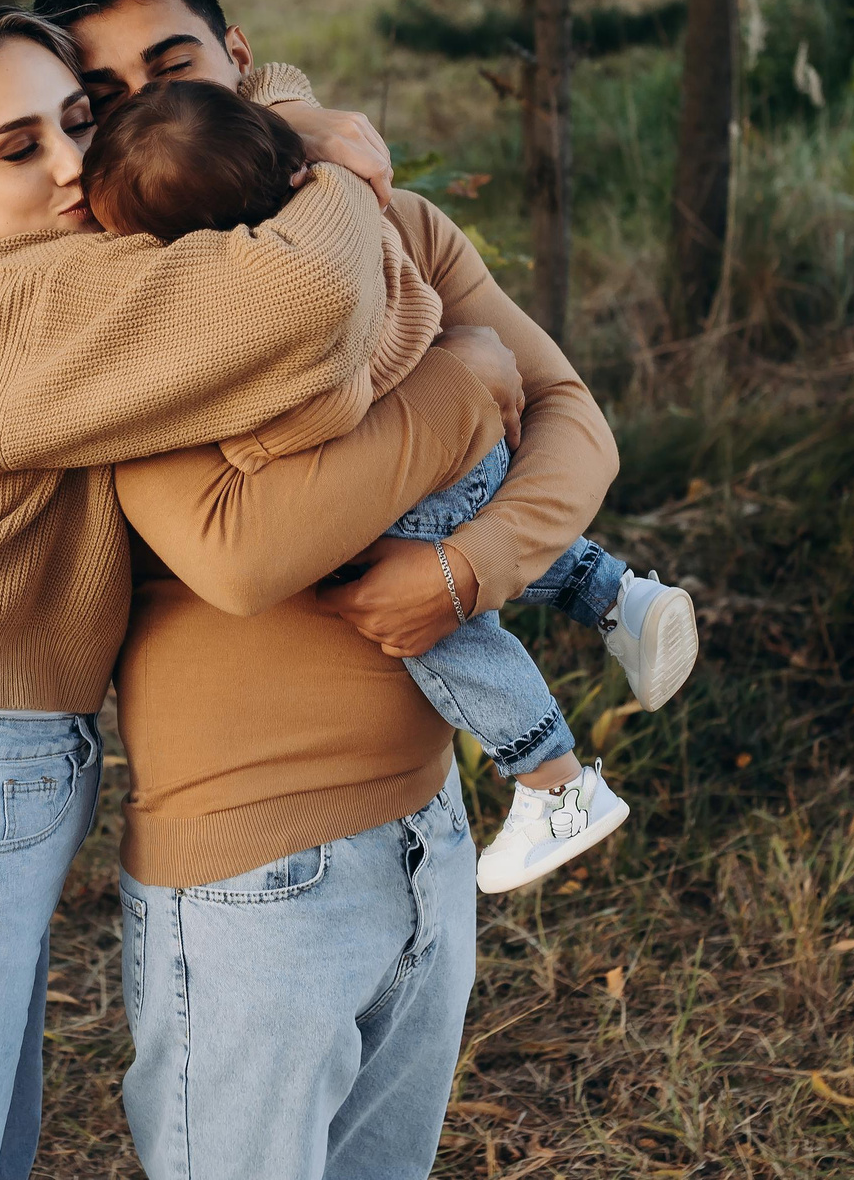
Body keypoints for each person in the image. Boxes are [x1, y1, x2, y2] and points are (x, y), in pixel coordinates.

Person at [0, 6, 520, 1180]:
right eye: (17, 150)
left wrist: (281, 113)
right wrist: (321, 160)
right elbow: (302, 300)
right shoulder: (9, 296)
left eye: (76, 125)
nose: (70, 172)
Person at [30, 0, 630, 1179]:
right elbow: (241, 557)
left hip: (429, 833)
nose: (148, 102)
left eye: (172, 61)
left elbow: (573, 419)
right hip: (254, 872)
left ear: (236, 62)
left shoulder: (392, 222)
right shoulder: (125, 304)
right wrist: (465, 387)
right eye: (107, 92)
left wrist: (467, 572)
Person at [82, 77, 700, 892]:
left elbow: (314, 429)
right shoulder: (354, 220)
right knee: (464, 510)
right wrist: (296, 118)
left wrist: (259, 445)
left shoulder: (265, 314)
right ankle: (620, 595)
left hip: (416, 484)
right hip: (476, 453)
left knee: (438, 628)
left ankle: (555, 784)